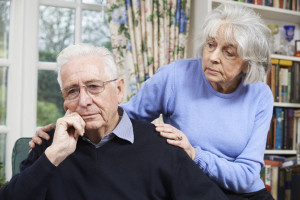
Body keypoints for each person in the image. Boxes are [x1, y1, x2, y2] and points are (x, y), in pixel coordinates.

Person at [30, 3, 275, 200]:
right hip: (186, 188)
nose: (212, 57)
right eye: (210, 45)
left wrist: (194, 154)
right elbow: (119, 116)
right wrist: (65, 126)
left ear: (247, 62)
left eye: (228, 52)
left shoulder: (260, 96)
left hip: (248, 194)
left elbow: (246, 175)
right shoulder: (175, 76)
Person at [0, 44, 229, 200]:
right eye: (72, 91)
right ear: (64, 101)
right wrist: (53, 156)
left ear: (118, 90)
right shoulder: (49, 147)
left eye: (94, 86)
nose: (84, 100)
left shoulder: (162, 145)